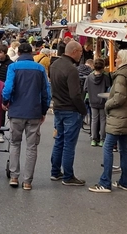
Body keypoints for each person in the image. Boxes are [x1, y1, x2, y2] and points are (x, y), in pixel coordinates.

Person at [89, 49, 127, 193]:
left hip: (118, 117)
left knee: (107, 147)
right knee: (124, 148)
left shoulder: (121, 76)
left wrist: (107, 104)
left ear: (123, 60)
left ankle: (105, 182)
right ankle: (125, 181)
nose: (115, 60)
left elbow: (119, 97)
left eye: (117, 58)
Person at [1, 42, 51, 190]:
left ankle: (14, 176)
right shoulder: (40, 68)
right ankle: (27, 181)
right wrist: (43, 110)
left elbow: (8, 87)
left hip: (16, 111)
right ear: (31, 53)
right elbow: (46, 92)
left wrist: (5, 101)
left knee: (15, 144)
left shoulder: (13, 67)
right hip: (34, 111)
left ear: (19, 53)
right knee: (32, 147)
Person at [49, 41, 87, 186]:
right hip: (70, 110)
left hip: (58, 107)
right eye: (80, 52)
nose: (81, 55)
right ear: (74, 51)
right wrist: (83, 110)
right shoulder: (71, 70)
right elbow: (75, 94)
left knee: (59, 140)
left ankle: (55, 171)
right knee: (69, 144)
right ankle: (68, 176)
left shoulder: (54, 65)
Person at [85, 58, 111, 147]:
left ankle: (94, 139)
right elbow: (109, 88)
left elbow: (85, 89)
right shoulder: (106, 77)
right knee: (103, 120)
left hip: (92, 101)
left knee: (94, 120)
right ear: (103, 67)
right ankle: (102, 140)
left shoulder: (89, 77)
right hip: (103, 101)